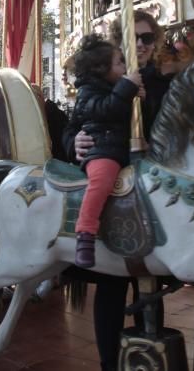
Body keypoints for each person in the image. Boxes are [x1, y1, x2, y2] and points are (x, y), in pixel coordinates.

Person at [66, 10, 180, 370]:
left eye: (148, 38)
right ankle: (108, 364)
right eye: (134, 39)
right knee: (112, 284)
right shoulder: (103, 82)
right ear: (119, 44)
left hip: (151, 185)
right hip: (115, 181)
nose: (142, 45)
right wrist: (76, 141)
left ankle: (150, 355)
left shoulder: (162, 83)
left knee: (151, 277)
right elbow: (74, 124)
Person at [65, 36, 144, 268]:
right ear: (102, 68)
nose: (124, 67)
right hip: (104, 149)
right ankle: (86, 233)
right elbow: (105, 110)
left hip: (126, 149)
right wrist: (127, 88)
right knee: (102, 179)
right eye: (120, 62)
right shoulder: (89, 91)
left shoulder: (118, 85)